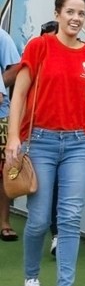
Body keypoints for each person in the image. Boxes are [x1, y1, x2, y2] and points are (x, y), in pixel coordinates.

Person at [5, 0, 85, 286]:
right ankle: (31, 278)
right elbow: (19, 94)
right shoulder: (40, 47)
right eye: (71, 12)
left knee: (71, 218)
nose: (76, 18)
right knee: (37, 220)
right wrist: (14, 139)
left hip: (78, 144)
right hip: (41, 142)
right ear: (58, 13)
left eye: (82, 13)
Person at [0, 29, 20, 242]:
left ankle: (4, 221)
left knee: (3, 171)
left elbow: (15, 69)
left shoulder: (2, 37)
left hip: (1, 116)